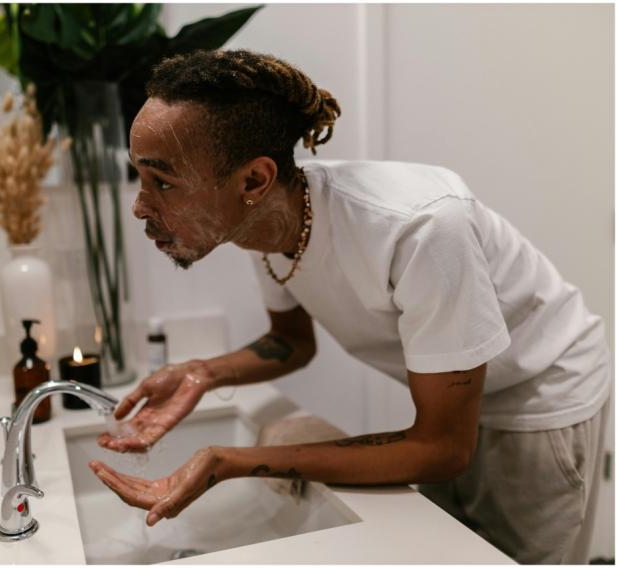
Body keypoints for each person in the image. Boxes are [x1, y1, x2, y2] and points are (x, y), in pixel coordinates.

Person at [87, 49, 612, 564]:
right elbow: (290, 342)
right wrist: (201, 373)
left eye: (163, 181)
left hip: (539, 395)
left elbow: (442, 449)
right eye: (140, 176)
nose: (140, 205)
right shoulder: (260, 222)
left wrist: (231, 461)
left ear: (253, 180)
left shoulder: (419, 226)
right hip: (453, 413)